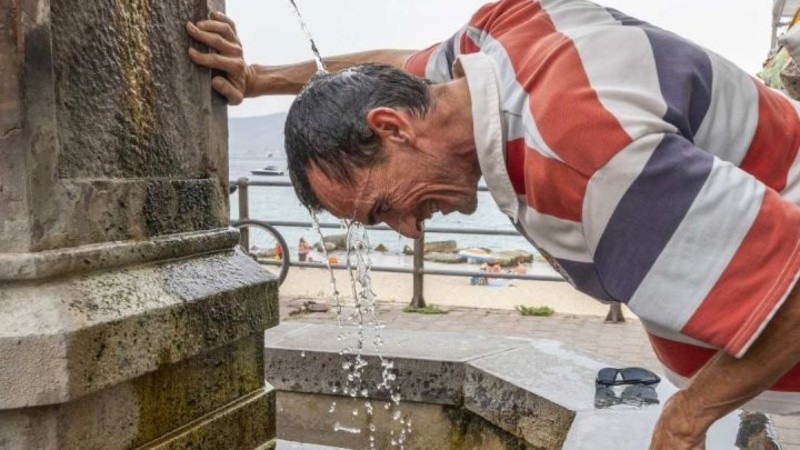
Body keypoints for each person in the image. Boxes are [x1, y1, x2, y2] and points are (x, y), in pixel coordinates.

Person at [187, 2, 800, 447]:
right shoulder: (492, 42)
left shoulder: (583, 162)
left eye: (383, 208)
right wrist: (261, 80)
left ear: (392, 128)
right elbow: (391, 66)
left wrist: (686, 418)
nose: (409, 231)